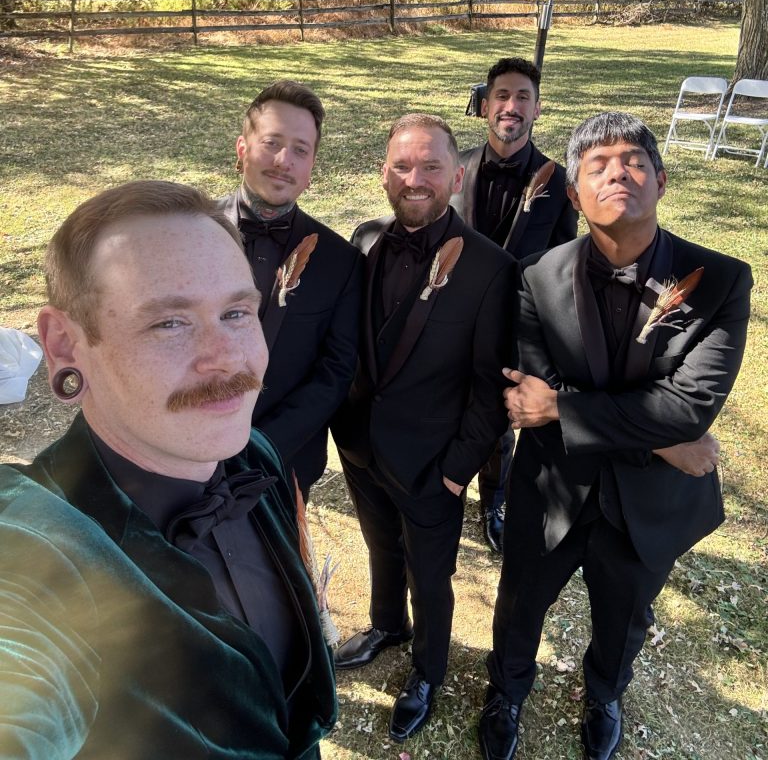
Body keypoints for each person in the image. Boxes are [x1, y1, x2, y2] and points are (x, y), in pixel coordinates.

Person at [0, 181, 337, 760]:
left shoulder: (251, 453)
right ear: (63, 345)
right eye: (169, 323)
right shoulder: (39, 549)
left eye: (236, 312)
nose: (226, 358)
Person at [479, 113, 752, 760]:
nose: (616, 173)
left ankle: (605, 691)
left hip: (649, 503)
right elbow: (529, 394)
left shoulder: (720, 282)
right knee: (519, 605)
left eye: (632, 161)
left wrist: (572, 412)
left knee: (625, 617)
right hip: (550, 488)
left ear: (660, 179)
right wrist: (662, 437)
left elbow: (688, 408)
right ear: (573, 195)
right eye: (596, 166)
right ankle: (508, 690)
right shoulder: (534, 277)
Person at [332, 114, 517, 742]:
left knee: (430, 574)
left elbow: (492, 390)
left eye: (431, 167)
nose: (416, 180)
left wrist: (455, 470)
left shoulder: (492, 269)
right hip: (359, 446)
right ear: (383, 173)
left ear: (456, 175)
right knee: (381, 547)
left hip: (433, 463)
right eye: (402, 166)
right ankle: (388, 623)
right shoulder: (363, 240)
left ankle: (428, 670)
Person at [451, 57, 577, 554]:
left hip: (514, 324)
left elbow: (565, 263)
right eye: (502, 95)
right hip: (454, 316)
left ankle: (495, 498)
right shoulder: (454, 168)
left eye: (523, 97)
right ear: (485, 105)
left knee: (501, 420)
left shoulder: (560, 183)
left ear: (537, 109)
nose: (511, 106)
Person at [221, 81, 362, 499]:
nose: (284, 161)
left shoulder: (341, 260)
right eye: (272, 143)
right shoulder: (186, 235)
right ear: (242, 148)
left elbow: (335, 372)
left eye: (300, 149)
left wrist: (261, 447)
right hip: (182, 455)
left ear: (312, 165)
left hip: (284, 463)